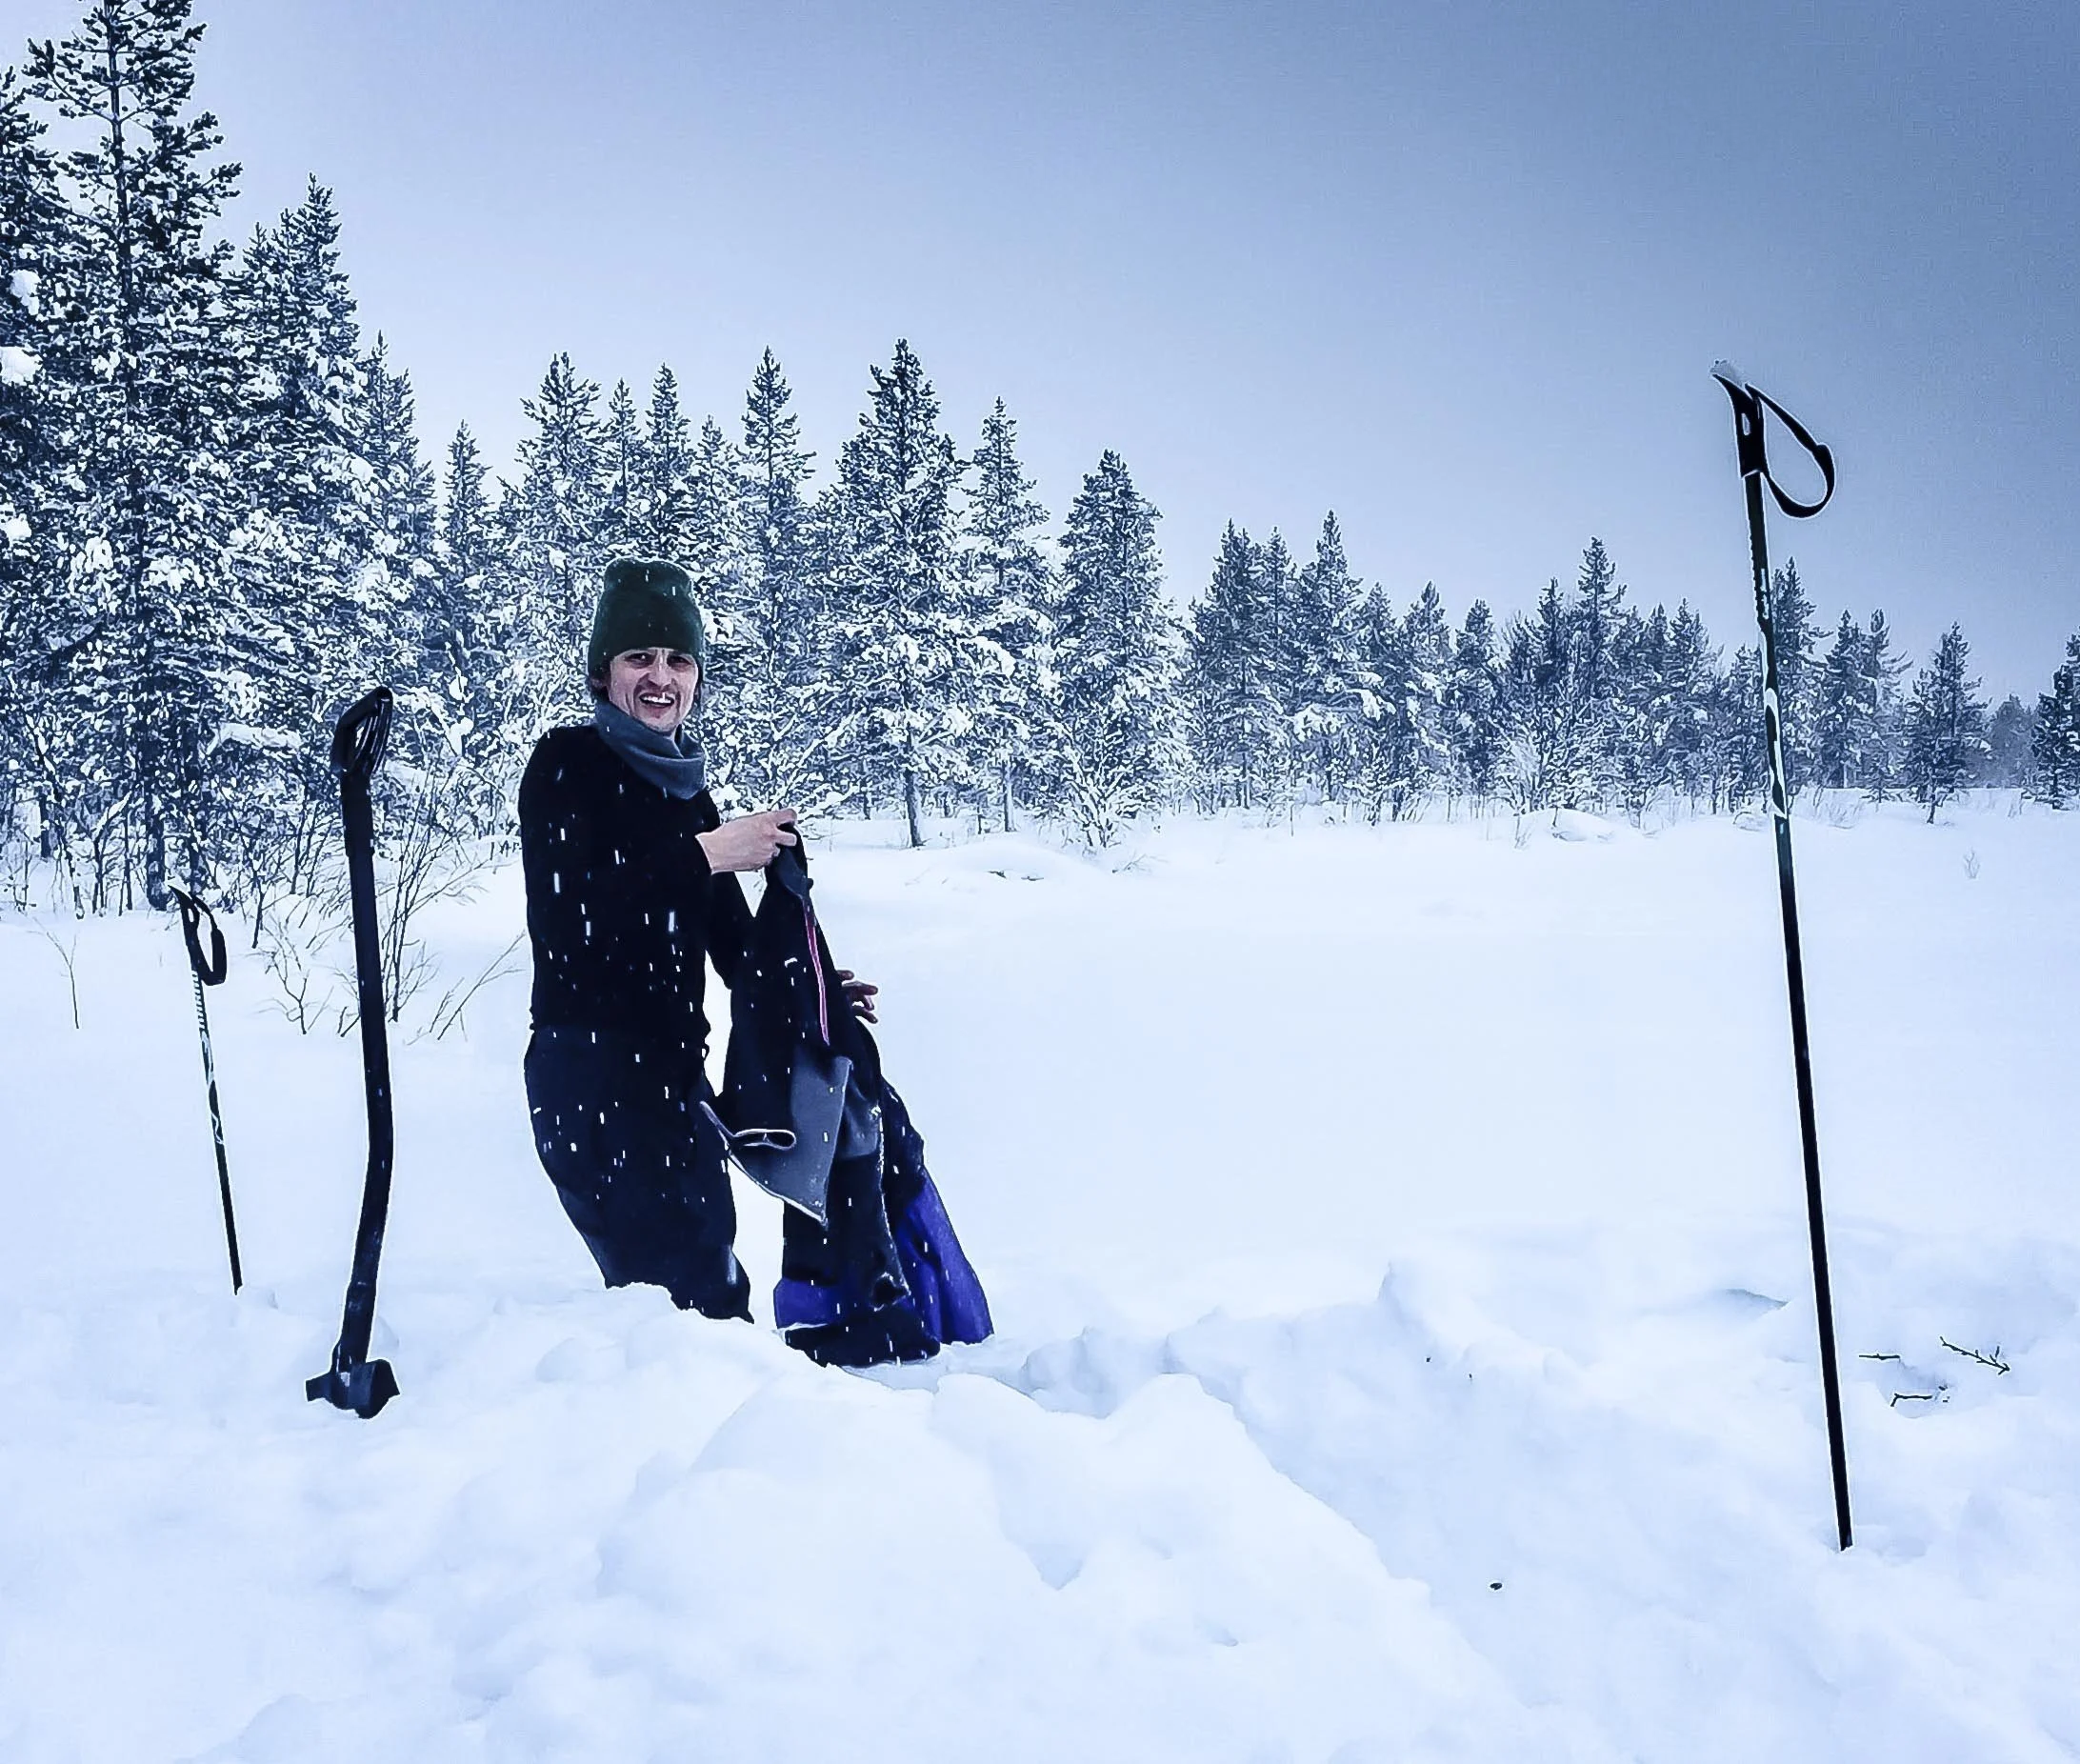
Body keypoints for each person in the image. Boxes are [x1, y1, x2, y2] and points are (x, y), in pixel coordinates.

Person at [517, 556, 871, 1318]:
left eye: (679, 660)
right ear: (601, 673)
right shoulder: (565, 767)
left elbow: (735, 946)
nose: (661, 676)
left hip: (671, 1081)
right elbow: (572, 920)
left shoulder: (685, 793)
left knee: (697, 1297)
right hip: (590, 1079)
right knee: (688, 1309)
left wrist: (812, 990)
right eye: (639, 657)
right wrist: (708, 853)